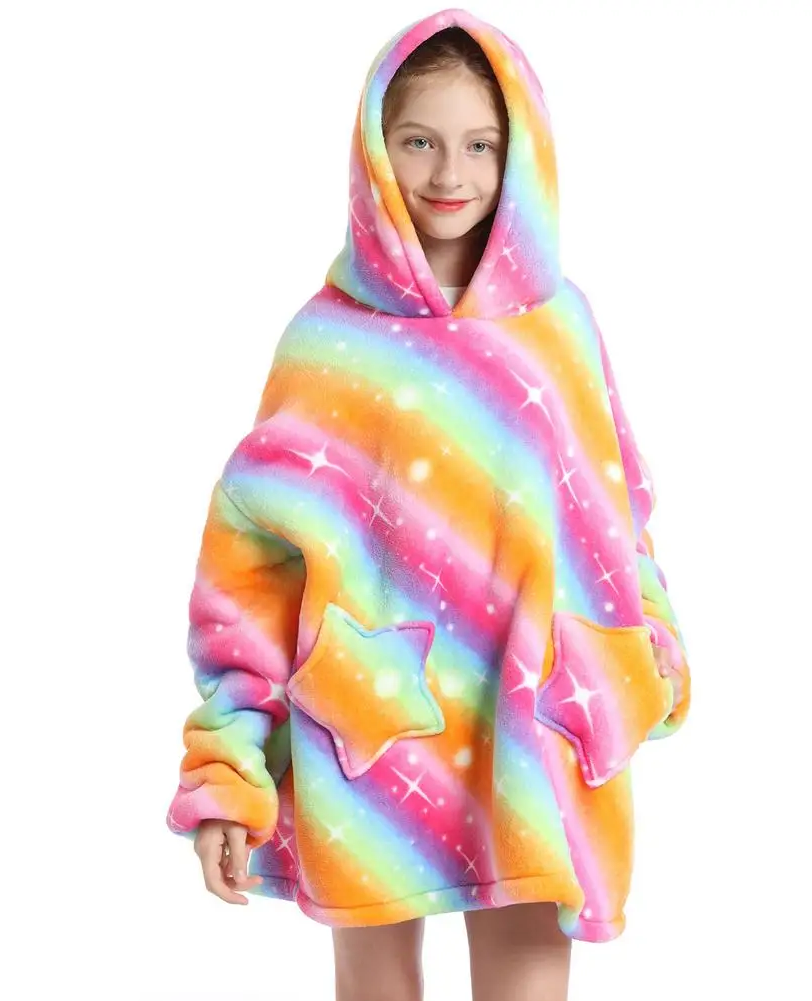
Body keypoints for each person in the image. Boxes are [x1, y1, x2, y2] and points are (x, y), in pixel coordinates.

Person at [166, 8, 691, 1000]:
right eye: (418, 141)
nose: (450, 173)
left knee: (527, 967)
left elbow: (612, 514)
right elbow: (250, 576)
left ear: (519, 152)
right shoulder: (325, 344)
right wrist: (229, 766)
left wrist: (650, 645)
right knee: (374, 979)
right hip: (366, 739)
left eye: (479, 145)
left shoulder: (560, 328)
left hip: (532, 723)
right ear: (374, 148)